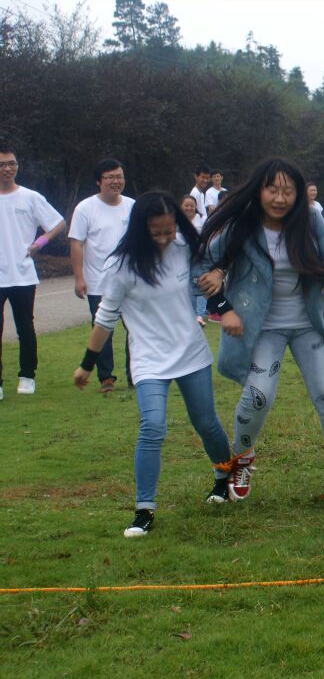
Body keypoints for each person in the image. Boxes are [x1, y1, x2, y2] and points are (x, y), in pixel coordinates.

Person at [195, 157, 324, 506]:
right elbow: (204, 264)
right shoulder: (242, 224)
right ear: (259, 190)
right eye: (272, 190)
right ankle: (242, 459)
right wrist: (220, 290)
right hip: (263, 328)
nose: (280, 198)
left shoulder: (310, 219)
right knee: (258, 395)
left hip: (310, 323)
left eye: (288, 191)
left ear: (299, 194)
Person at [73, 192, 233, 537]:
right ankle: (144, 510)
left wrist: (219, 276)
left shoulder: (184, 248)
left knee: (206, 423)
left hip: (190, 353)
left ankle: (224, 477)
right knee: (153, 426)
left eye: (169, 231)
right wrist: (87, 364)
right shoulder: (121, 266)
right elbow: (105, 319)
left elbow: (215, 269)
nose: (163, 239)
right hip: (149, 359)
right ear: (139, 229)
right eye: (155, 233)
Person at [0, 143, 66, 400]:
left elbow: (58, 223)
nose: (7, 169)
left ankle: (27, 375)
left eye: (12, 164)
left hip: (22, 275)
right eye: (2, 164)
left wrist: (40, 242)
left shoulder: (30, 197)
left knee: (25, 327)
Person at [69, 159, 135, 393]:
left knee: (135, 329)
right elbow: (77, 243)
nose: (116, 181)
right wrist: (79, 278)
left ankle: (136, 375)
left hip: (131, 281)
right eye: (110, 177)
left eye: (119, 176)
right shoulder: (85, 208)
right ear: (99, 181)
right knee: (103, 329)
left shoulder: (133, 206)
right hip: (99, 281)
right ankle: (106, 378)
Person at [179, 194, 208, 326]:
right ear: (181, 206)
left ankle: (200, 315)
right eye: (186, 205)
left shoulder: (202, 220)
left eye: (192, 205)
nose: (189, 208)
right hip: (182, 258)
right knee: (187, 285)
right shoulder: (177, 220)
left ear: (196, 206)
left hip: (199, 257)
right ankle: (191, 314)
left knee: (201, 285)